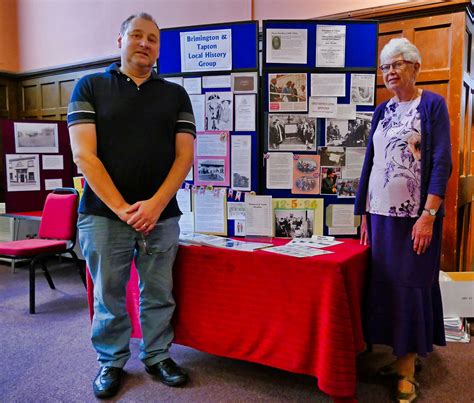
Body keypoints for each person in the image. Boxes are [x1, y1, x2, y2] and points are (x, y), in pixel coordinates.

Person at [67, 13, 196, 399]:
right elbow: (84, 156)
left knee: (159, 292)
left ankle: (157, 355)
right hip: (103, 215)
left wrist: (155, 206)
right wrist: (124, 208)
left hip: (162, 217)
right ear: (119, 41)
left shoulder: (175, 94)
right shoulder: (89, 86)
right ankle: (111, 362)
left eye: (152, 38)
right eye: (136, 36)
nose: (144, 43)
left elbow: (184, 158)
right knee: (108, 294)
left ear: (158, 48)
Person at [354, 38, 452, 402]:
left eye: (396, 64)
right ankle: (399, 357)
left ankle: (407, 369)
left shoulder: (433, 105)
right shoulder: (383, 111)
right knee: (386, 285)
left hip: (415, 219)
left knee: (410, 286)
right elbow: (372, 162)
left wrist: (429, 214)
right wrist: (362, 211)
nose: (390, 72)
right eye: (384, 67)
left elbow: (441, 161)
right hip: (380, 217)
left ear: (415, 67)